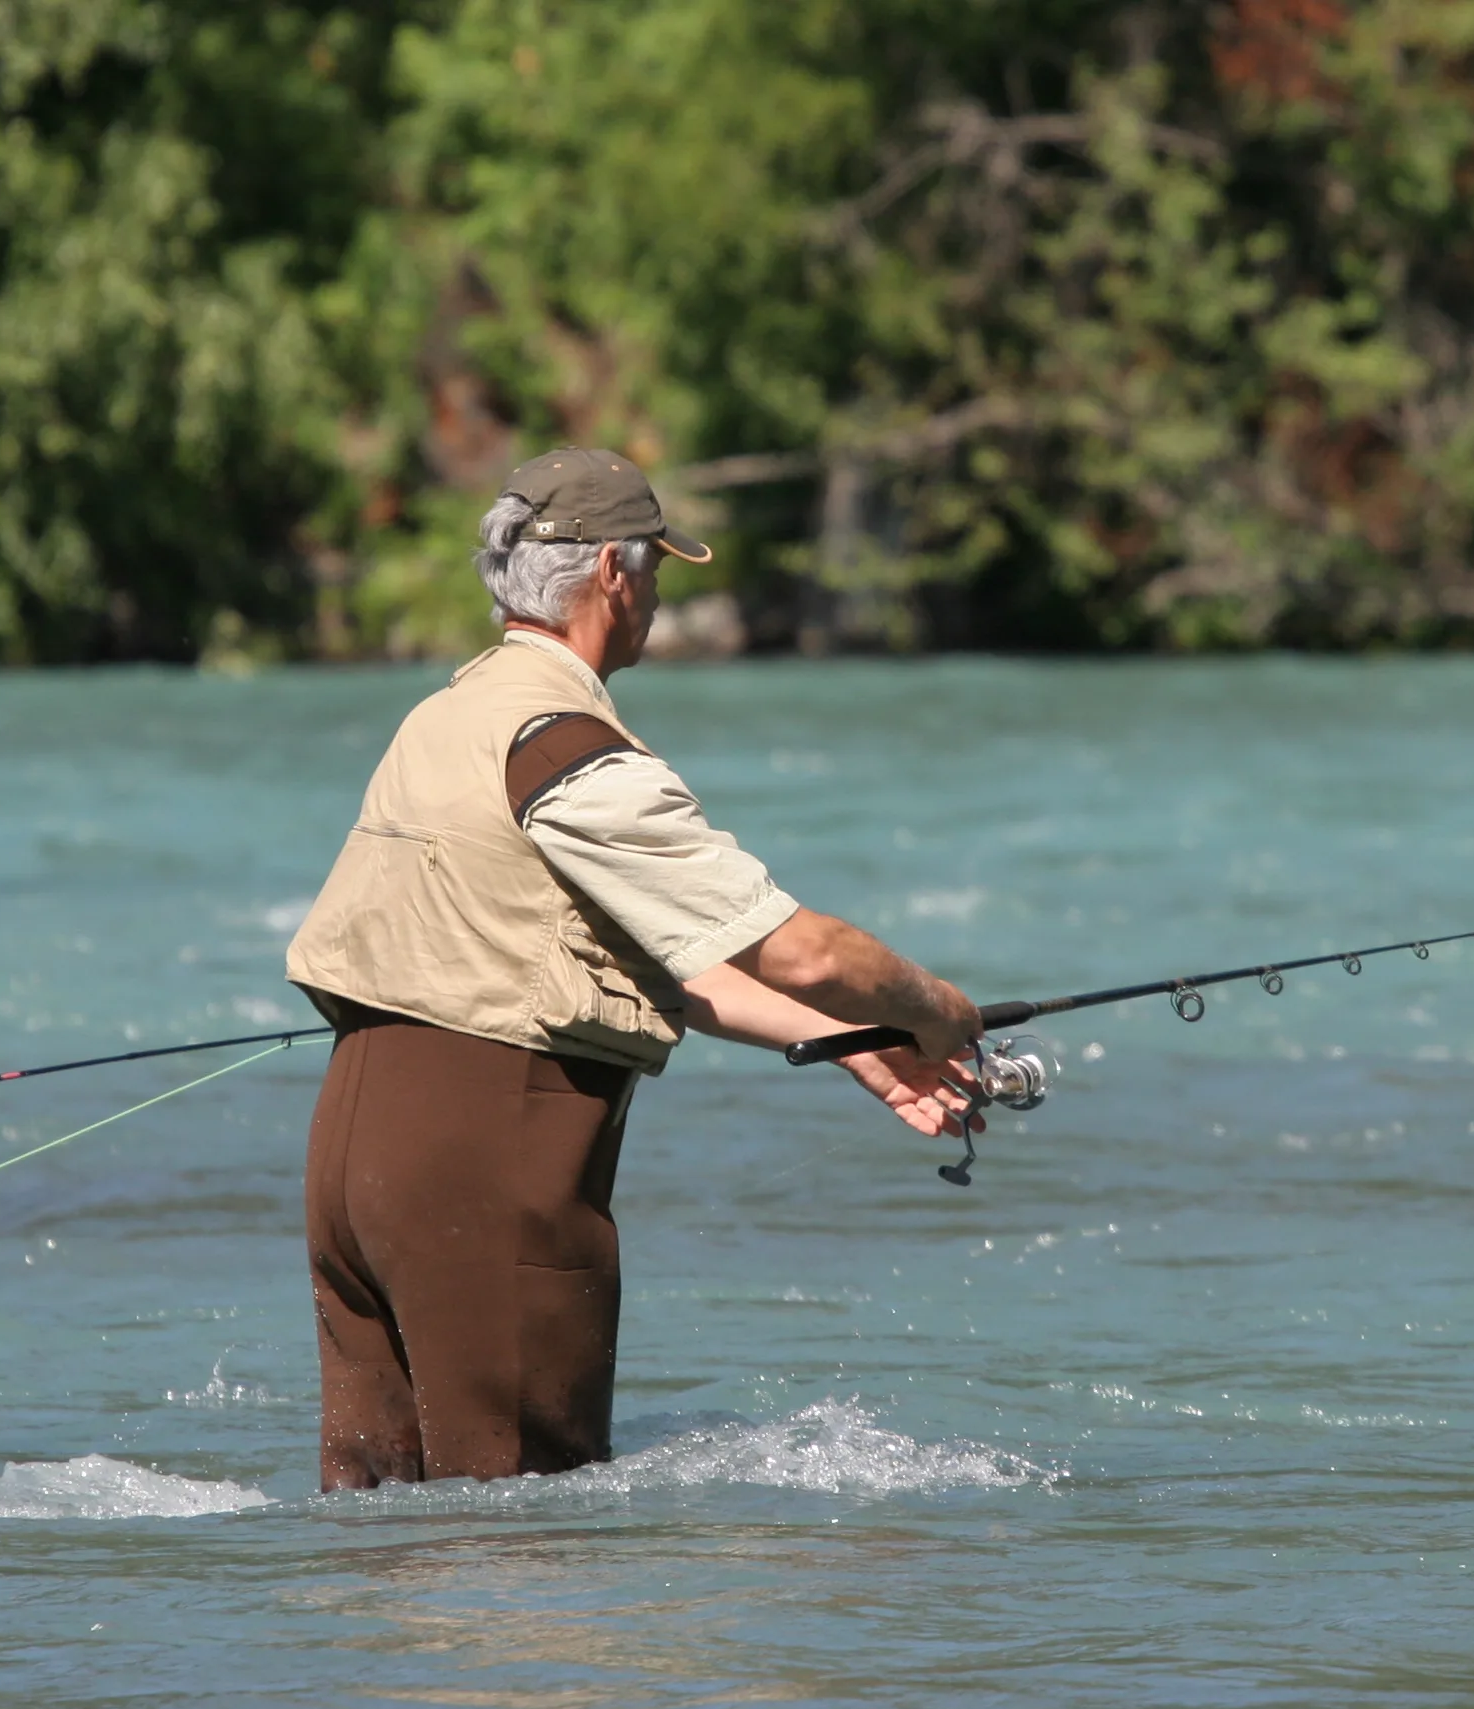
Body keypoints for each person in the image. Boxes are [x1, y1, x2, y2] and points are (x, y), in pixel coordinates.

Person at [285, 448, 987, 1489]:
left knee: (385, 1541)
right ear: (614, 573)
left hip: (355, 1160)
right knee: (527, 1543)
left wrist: (849, 1046)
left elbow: (671, 972)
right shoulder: (570, 749)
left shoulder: (443, 717)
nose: (656, 594)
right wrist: (935, 1009)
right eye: (656, 568)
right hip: (488, 1158)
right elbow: (796, 949)